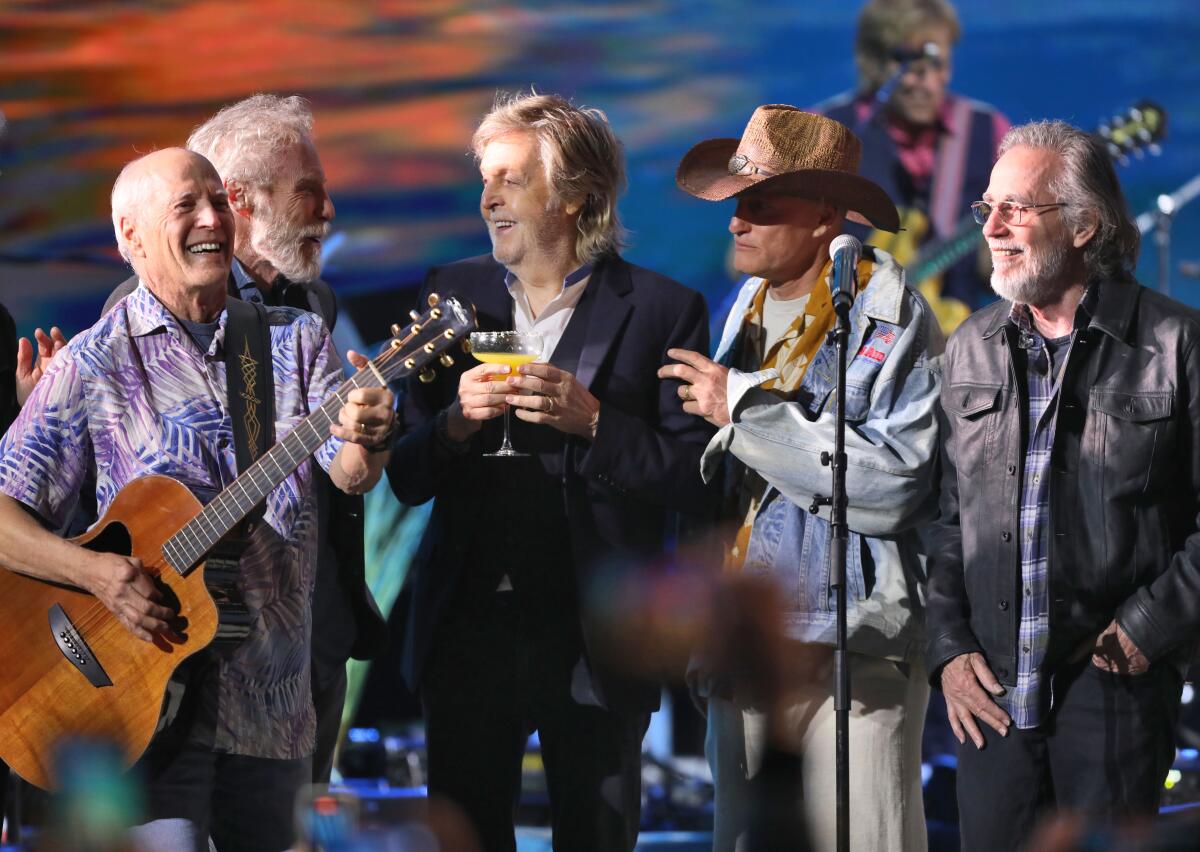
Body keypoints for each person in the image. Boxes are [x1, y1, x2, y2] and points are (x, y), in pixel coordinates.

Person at [0, 148, 393, 851]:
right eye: (186, 206)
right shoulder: (93, 364)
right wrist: (97, 574)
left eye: (219, 201)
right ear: (130, 236)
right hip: (134, 710)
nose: (213, 218)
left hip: (272, 709)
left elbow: (349, 471)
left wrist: (368, 435)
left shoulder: (294, 341)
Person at [386, 91, 714, 852]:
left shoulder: (665, 310)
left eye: (509, 178)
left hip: (598, 643)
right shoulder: (450, 296)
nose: (487, 198)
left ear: (572, 196)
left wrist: (597, 423)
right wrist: (455, 426)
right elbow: (404, 477)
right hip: (468, 635)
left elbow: (696, 477)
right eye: (484, 178)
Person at [662, 104, 942, 851]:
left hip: (851, 642)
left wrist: (742, 407)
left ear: (824, 215)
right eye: (734, 203)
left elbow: (895, 485)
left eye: (760, 204)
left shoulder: (886, 312)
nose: (736, 223)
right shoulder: (745, 308)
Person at [925, 120, 1199, 851]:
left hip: (1113, 683)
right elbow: (948, 519)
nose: (994, 226)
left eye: (1019, 207)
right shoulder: (969, 347)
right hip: (989, 697)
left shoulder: (1176, 344)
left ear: (1083, 224)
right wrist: (948, 649)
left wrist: (1149, 630)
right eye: (989, 208)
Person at [102, 94, 386, 785]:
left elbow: (346, 469)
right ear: (241, 201)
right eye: (310, 192)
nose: (328, 211)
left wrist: (368, 438)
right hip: (188, 654)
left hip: (303, 646)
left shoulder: (312, 309)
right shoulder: (141, 312)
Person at [819, 0, 1010, 331]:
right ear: (873, 61)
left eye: (936, 64)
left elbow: (990, 265)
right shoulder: (826, 131)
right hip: (840, 339)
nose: (923, 80)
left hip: (949, 344)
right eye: (905, 62)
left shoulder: (986, 130)